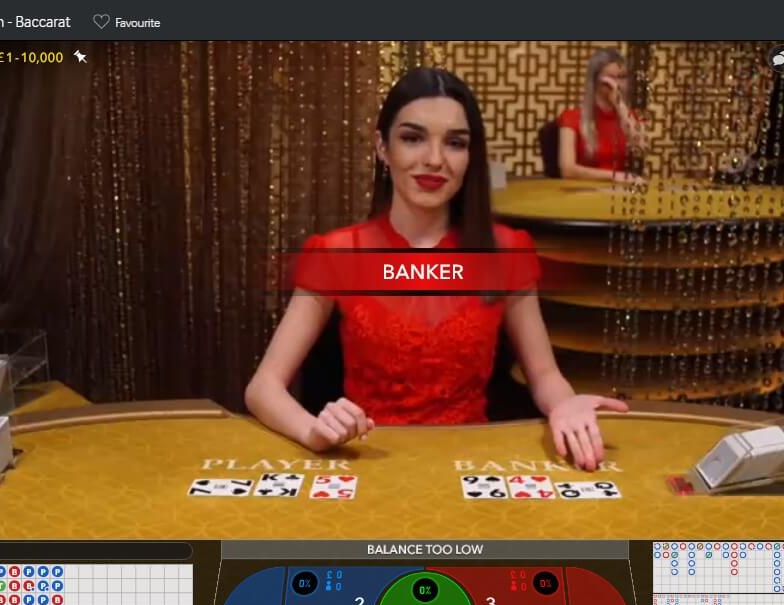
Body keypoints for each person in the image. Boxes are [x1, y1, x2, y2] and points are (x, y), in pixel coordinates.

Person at [245, 67, 627, 471]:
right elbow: (263, 387)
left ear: (470, 156)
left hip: (471, 467)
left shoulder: (505, 252)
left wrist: (565, 405)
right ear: (382, 147)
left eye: (455, 143)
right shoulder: (338, 253)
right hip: (369, 465)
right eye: (413, 138)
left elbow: (544, 374)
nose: (434, 159)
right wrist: (313, 431)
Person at [557, 48, 649, 181]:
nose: (617, 84)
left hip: (619, 189)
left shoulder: (631, 116)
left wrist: (620, 105)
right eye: (611, 77)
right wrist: (614, 176)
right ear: (595, 81)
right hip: (583, 189)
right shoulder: (572, 117)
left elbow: (642, 149)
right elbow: (568, 170)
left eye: (622, 77)